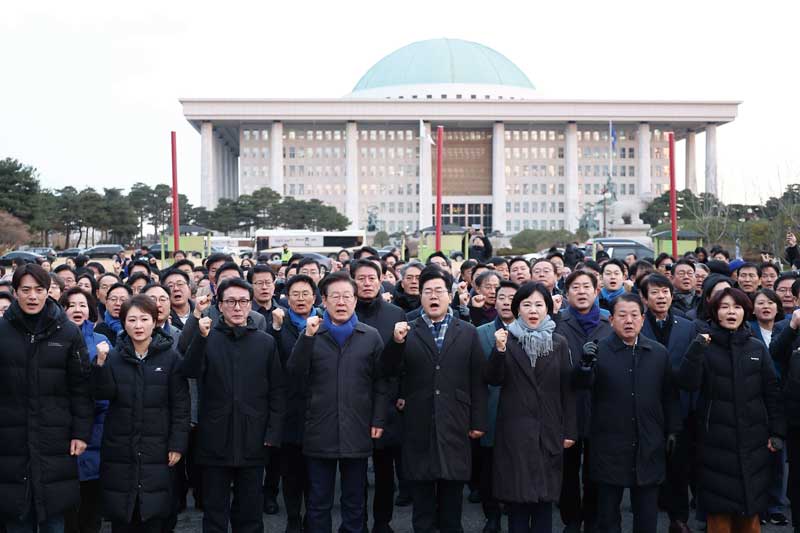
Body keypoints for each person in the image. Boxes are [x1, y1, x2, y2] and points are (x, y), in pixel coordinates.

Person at [383, 266, 488, 533]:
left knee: (452, 508)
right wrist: (395, 343)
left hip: (456, 422)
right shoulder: (406, 328)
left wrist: (477, 421)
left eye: (439, 291)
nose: (433, 296)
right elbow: (388, 371)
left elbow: (478, 379)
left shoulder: (467, 331)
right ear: (420, 296)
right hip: (418, 423)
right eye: (427, 291)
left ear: (449, 294)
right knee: (423, 507)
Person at [181, 277, 285, 533]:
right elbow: (189, 369)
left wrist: (273, 433)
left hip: (254, 437)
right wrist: (201, 337)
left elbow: (277, 391)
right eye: (230, 302)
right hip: (215, 437)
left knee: (249, 514)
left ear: (250, 305)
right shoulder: (208, 337)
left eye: (242, 302)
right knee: (214, 514)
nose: (237, 307)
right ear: (219, 305)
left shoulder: (265, 342)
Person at [288, 271, 388, 533]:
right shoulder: (311, 334)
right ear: (324, 301)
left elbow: (380, 383)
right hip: (319, 428)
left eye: (347, 296)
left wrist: (378, 419)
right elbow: (294, 375)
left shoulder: (370, 336)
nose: (341, 302)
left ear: (355, 300)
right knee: (318, 500)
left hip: (357, 427)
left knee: (355, 500)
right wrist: (307, 338)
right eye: (335, 297)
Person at [679, 288, 785, 533]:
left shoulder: (757, 348)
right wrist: (696, 349)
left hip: (753, 441)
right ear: (715, 312)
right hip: (715, 443)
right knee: (719, 516)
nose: (731, 312)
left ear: (744, 311)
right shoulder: (705, 345)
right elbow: (687, 382)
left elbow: (772, 393)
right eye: (724, 307)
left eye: (736, 307)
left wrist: (777, 432)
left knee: (750, 515)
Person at [574, 293, 679, 533]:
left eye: (634, 315)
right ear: (611, 320)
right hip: (609, 444)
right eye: (622, 315)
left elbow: (669, 397)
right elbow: (580, 386)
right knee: (608, 517)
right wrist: (585, 365)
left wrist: (674, 430)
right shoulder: (599, 351)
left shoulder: (658, 353)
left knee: (646, 517)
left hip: (648, 443)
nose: (628, 320)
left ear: (643, 319)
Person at [0, 263, 94, 532]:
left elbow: (81, 388)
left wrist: (81, 433)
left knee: (54, 516)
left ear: (48, 292)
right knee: (17, 516)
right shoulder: (2, 331)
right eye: (25, 290)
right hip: (10, 439)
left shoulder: (67, 332)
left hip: (56, 437)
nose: (32, 296)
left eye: (39, 290)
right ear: (15, 292)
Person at [91, 295, 190, 533]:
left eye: (144, 319)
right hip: (120, 447)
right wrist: (100, 365)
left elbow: (180, 405)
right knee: (122, 516)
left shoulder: (170, 357)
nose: (138, 325)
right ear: (123, 323)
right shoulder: (113, 356)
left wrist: (177, 444)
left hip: (158, 446)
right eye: (132, 319)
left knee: (155, 513)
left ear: (155, 321)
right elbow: (103, 394)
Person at [485, 282, 576, 533]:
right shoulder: (507, 340)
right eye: (526, 305)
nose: (533, 310)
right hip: (515, 432)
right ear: (517, 309)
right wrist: (499, 351)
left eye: (539, 304)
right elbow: (493, 379)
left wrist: (570, 430)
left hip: (549, 429)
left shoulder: (559, 343)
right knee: (517, 502)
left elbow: (566, 389)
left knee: (544, 502)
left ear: (548, 308)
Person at [637, 274, 697, 533]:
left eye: (665, 292)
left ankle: (679, 519)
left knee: (679, 466)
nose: (661, 297)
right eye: (655, 292)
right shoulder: (637, 324)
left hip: (679, 404)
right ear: (644, 297)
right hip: (645, 403)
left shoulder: (688, 326)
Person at [351, 260, 408, 533]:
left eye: (372, 277)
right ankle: (356, 521)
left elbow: (406, 360)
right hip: (353, 400)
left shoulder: (396, 313)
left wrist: (402, 394)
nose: (367, 283)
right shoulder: (343, 312)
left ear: (381, 280)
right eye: (360, 278)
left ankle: (382, 522)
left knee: (385, 470)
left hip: (388, 400)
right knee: (355, 471)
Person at [554, 270, 613, 533]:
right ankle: (571, 518)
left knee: (595, 469)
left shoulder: (607, 324)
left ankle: (592, 518)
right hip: (568, 406)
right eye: (575, 287)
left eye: (586, 287)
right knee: (567, 469)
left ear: (596, 291)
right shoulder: (557, 323)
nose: (581, 291)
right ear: (566, 294)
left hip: (600, 407)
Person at [60, 287, 110, 533]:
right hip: (63, 429)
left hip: (96, 431)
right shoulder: (55, 339)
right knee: (66, 506)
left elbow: (108, 390)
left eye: (82, 305)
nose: (77, 309)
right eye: (71, 305)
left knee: (91, 506)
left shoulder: (101, 341)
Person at [475, 280, 519, 533]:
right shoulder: (480, 332)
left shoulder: (531, 332)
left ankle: (514, 514)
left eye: (511, 298)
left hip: (519, 412)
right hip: (489, 410)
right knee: (488, 469)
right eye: (501, 297)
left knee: (515, 468)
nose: (505, 302)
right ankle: (491, 515)